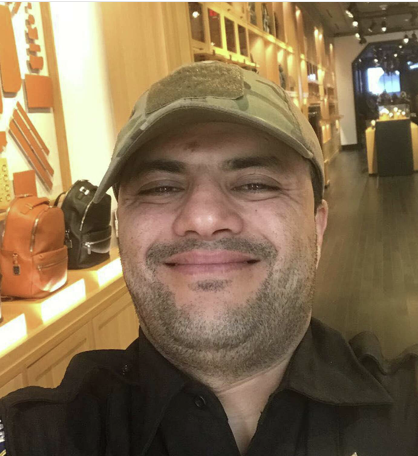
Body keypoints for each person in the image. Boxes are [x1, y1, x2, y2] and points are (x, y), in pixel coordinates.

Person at [0, 61, 417, 456]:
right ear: (121, 228)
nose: (203, 218)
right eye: (160, 188)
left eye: (255, 184)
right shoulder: (38, 435)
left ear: (317, 227)